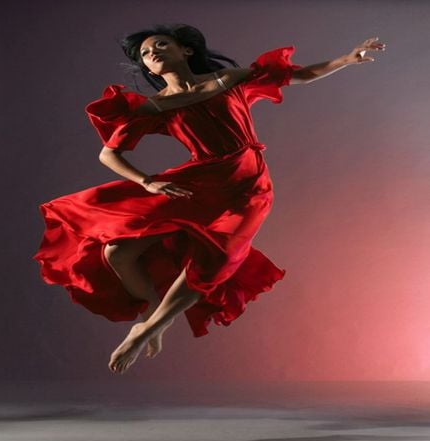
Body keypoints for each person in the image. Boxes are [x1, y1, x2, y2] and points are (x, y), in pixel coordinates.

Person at [33, 24, 386, 374]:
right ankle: (150, 312)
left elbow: (299, 75)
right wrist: (147, 182)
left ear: (185, 50)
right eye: (144, 54)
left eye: (159, 45)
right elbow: (108, 154)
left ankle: (149, 329)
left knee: (216, 260)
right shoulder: (157, 106)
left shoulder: (227, 80)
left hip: (248, 185)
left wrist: (346, 59)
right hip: (197, 182)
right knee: (118, 251)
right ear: (148, 68)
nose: (152, 53)